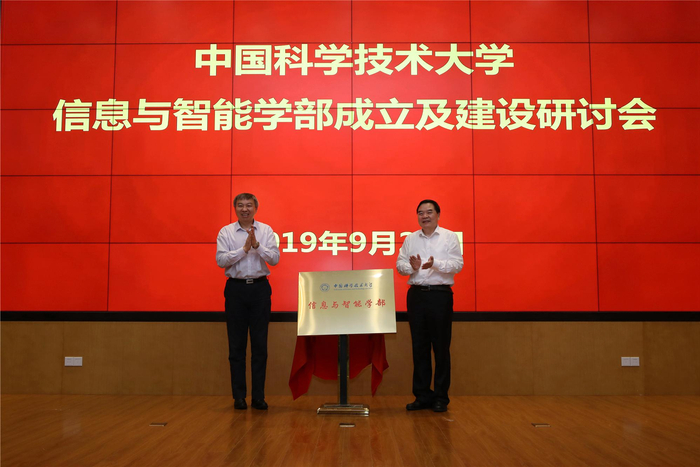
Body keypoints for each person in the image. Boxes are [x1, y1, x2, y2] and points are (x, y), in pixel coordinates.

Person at [396, 199, 463, 412]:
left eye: (429, 212)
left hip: (440, 296)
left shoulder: (449, 237)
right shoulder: (410, 239)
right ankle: (422, 396)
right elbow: (400, 265)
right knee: (420, 347)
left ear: (438, 215)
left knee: (441, 348)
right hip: (416, 296)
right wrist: (412, 268)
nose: (424, 216)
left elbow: (457, 264)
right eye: (420, 213)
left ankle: (441, 397)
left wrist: (435, 264)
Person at [216, 193, 280, 410]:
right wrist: (244, 250)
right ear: (235, 208)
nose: (245, 209)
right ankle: (239, 397)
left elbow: (275, 259)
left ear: (255, 208)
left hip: (260, 290)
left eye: (249, 205)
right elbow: (220, 260)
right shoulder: (226, 232)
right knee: (237, 346)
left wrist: (257, 246)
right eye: (241, 205)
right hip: (236, 290)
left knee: (260, 346)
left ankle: (258, 397)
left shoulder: (266, 230)